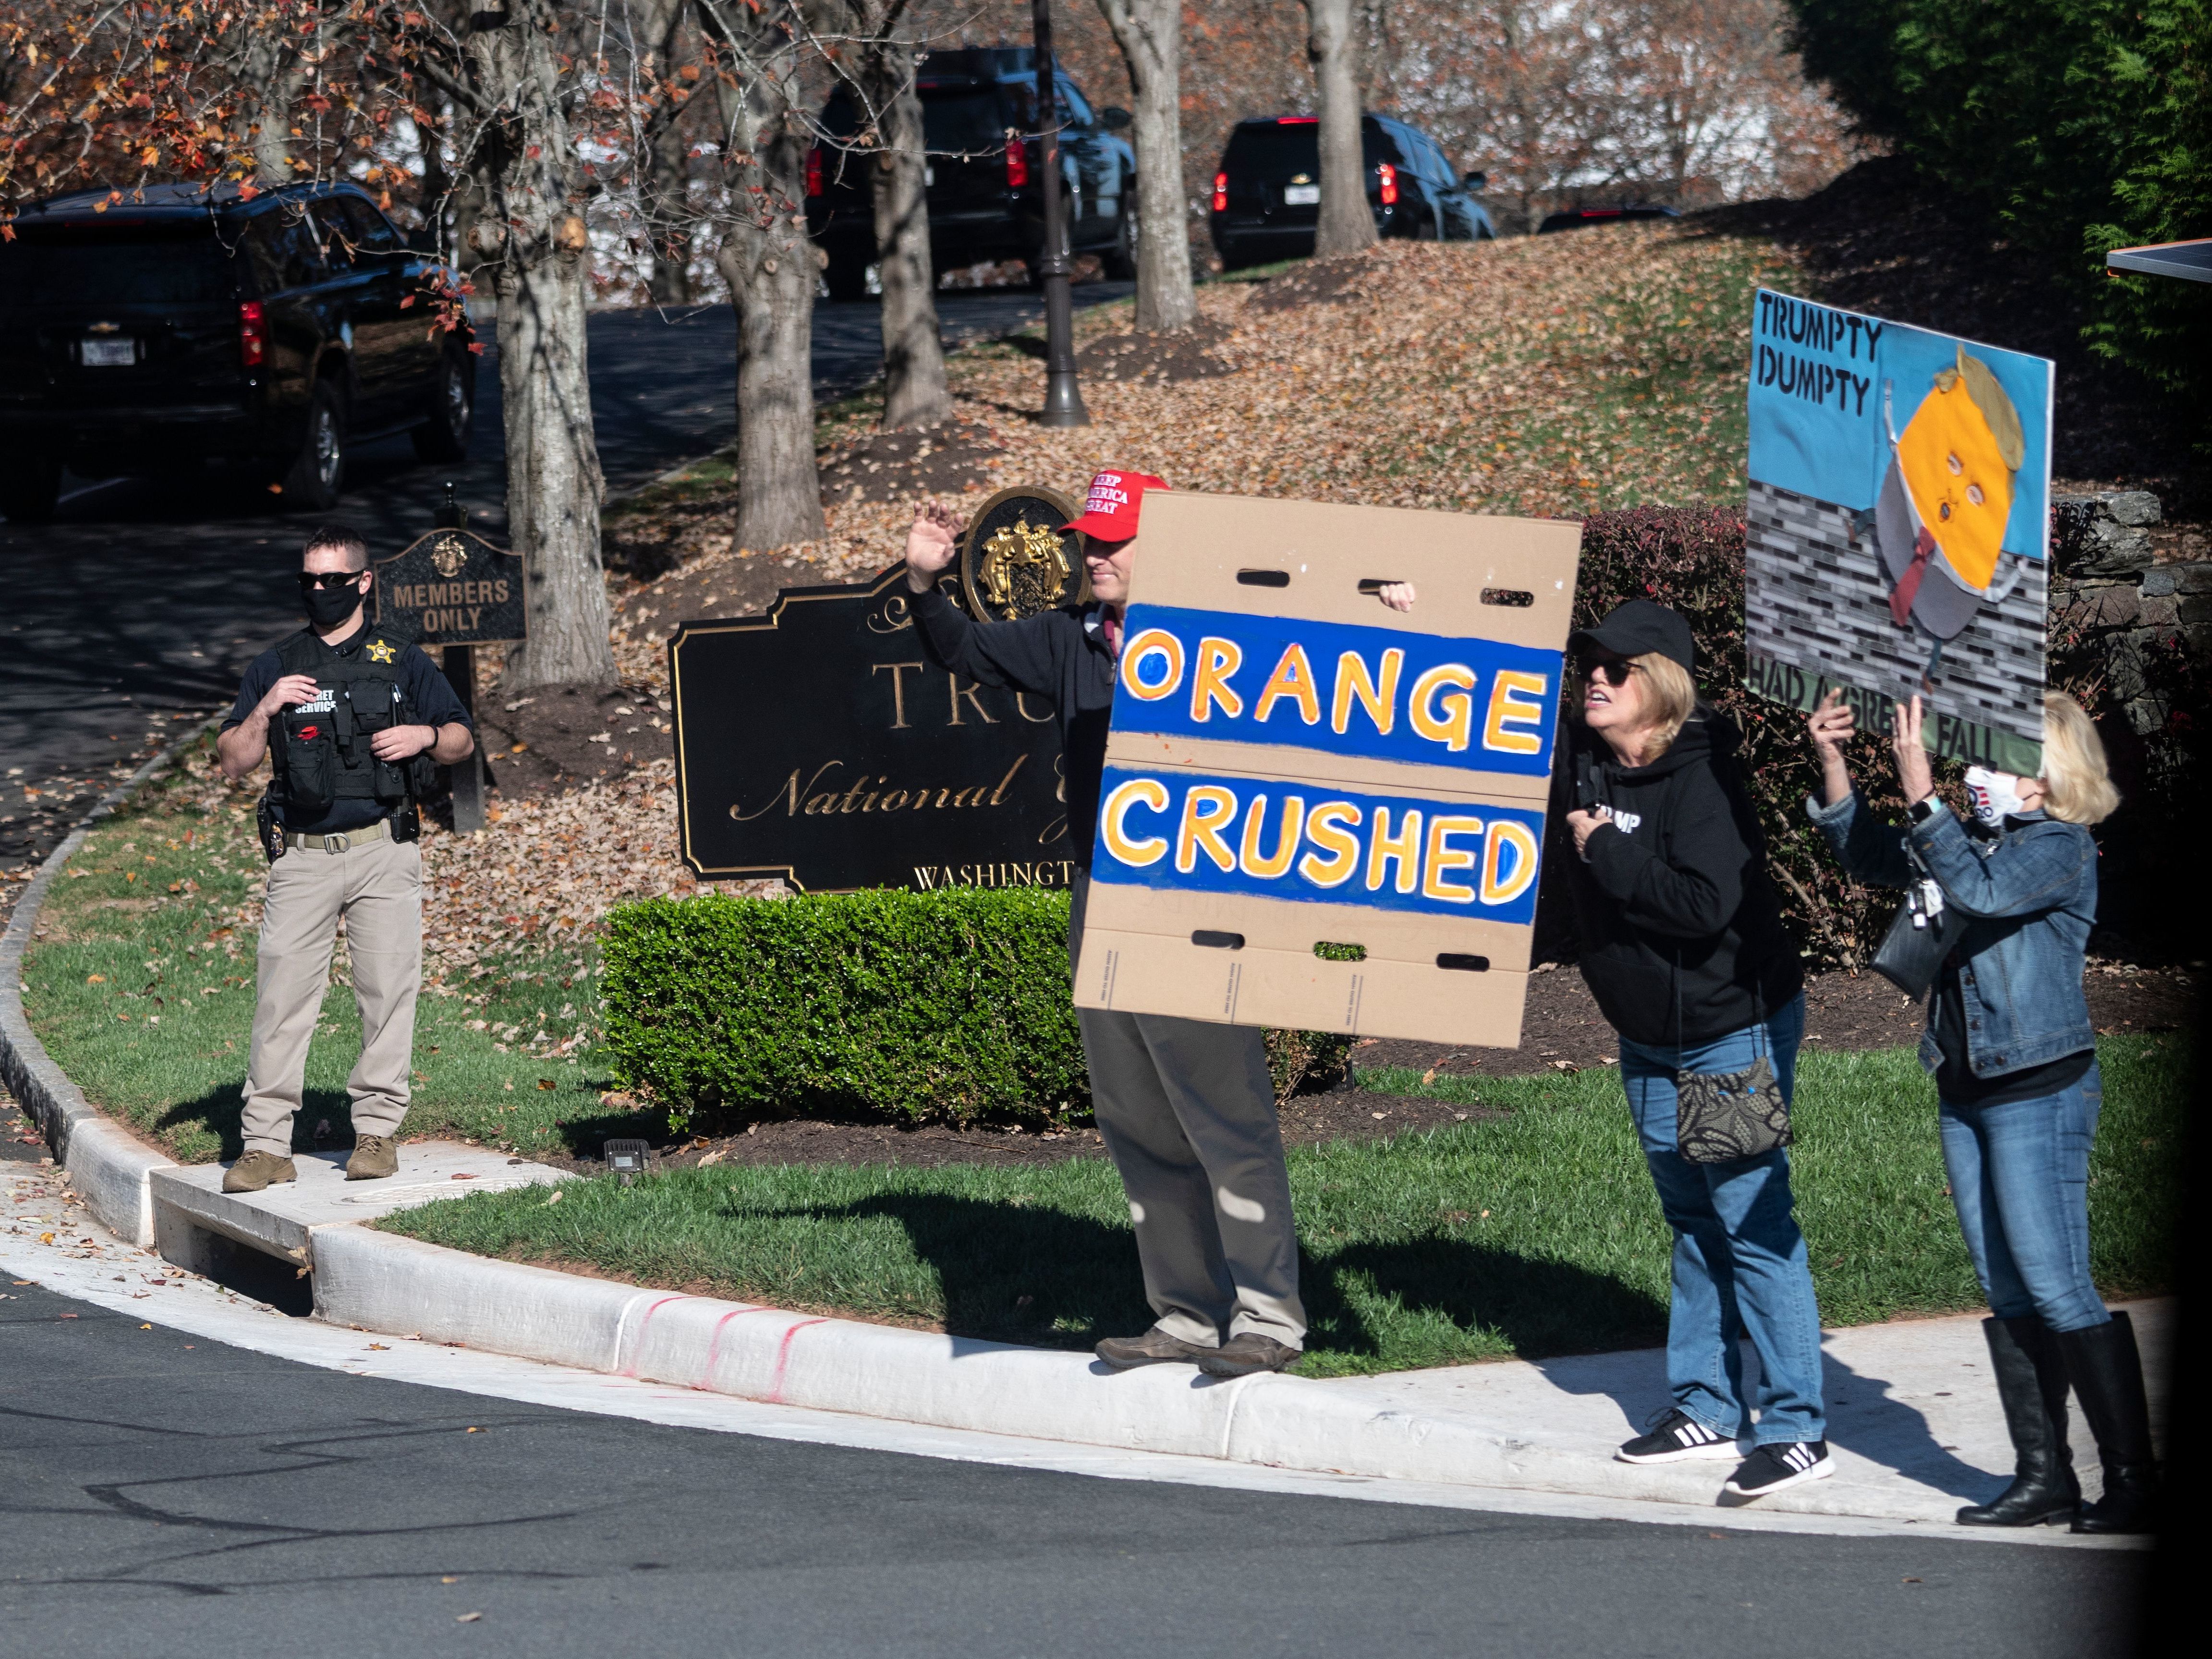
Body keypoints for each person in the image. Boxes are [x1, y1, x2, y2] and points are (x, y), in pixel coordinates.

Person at [901, 469, 1404, 1377]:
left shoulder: (1234, 634)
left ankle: (1270, 1317)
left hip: (1200, 900)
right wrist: (925, 584)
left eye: (1115, 540)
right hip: (1103, 895)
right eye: (1090, 541)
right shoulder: (1070, 639)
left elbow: (1350, 655)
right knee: (1136, 1114)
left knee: (1224, 1114)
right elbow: (966, 657)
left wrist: (1390, 592)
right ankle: (1183, 1313)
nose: (1096, 556)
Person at [1805, 689, 2153, 1534]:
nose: (1976, 776)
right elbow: (1872, 856)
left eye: (1997, 762)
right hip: (1963, 1085)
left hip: (2039, 1088)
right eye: (1974, 759)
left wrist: (1920, 788)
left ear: (2047, 778)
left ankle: (2136, 1482)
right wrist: (1832, 760)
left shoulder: (2059, 850)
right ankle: (2045, 1477)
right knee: (2005, 1288)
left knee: (2057, 1284)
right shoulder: (1976, 843)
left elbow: (1984, 893)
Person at [1553, 599, 1829, 1501]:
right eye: (1590, 663)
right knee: (1690, 1220)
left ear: (1661, 687)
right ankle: (1705, 1406)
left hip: (1727, 1033)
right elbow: (1486, 678)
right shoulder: (1582, 754)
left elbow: (1703, 906)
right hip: (1645, 1038)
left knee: (1749, 1221)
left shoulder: (1705, 781)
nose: (1594, 677)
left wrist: (1605, 855)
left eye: (1616, 668)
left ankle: (1795, 1427)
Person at [214, 524, 475, 1194]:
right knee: (282, 1001)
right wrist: (267, 708)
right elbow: (233, 761)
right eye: (310, 581)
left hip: (384, 851)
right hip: (301, 857)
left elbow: (460, 741)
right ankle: (267, 1145)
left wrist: (425, 734)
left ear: (364, 582)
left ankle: (377, 1134)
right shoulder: (277, 664)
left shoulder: (403, 658)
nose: (321, 591)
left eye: (334, 580)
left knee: (388, 995)